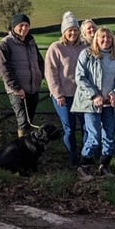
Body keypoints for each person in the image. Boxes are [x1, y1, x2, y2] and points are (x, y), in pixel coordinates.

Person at [71, 27, 115, 180]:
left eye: (109, 38)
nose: (105, 40)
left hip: (109, 103)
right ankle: (84, 166)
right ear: (96, 38)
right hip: (91, 103)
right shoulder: (87, 54)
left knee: (109, 135)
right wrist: (94, 95)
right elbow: (80, 77)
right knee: (94, 135)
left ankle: (104, 165)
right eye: (102, 37)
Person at [44, 11, 86, 167]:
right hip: (63, 95)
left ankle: (86, 155)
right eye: (70, 30)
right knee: (69, 128)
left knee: (86, 126)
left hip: (82, 95)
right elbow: (50, 73)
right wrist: (58, 94)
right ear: (64, 32)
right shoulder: (56, 48)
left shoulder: (85, 47)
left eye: (75, 29)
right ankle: (73, 157)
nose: (73, 33)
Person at [0, 13, 44, 137]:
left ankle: (27, 148)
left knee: (30, 121)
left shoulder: (31, 42)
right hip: (17, 91)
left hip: (33, 88)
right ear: (14, 26)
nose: (24, 28)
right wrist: (16, 88)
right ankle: (22, 148)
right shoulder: (6, 43)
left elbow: (39, 62)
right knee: (23, 121)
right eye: (21, 25)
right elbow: (3, 68)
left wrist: (41, 77)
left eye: (27, 25)